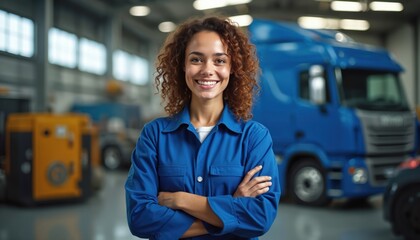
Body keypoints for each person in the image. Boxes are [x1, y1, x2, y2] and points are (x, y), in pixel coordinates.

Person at [125, 16, 281, 240]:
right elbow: (140, 218)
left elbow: (260, 217)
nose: (208, 70)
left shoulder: (254, 137)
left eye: (219, 61)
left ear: (232, 68)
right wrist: (230, 211)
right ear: (182, 66)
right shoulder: (155, 136)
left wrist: (181, 200)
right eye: (196, 59)